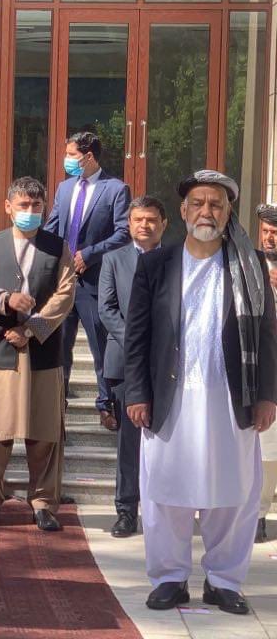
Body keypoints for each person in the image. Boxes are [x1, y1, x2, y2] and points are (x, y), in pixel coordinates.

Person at [124, 170, 277, 614]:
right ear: (183, 210)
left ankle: (224, 581)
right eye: (198, 203)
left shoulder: (249, 265)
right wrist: (136, 392)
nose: (206, 211)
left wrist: (268, 395)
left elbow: (267, 335)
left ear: (228, 213)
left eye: (216, 204)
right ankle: (169, 578)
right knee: (164, 491)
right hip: (169, 396)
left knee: (233, 492)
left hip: (232, 396)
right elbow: (137, 336)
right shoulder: (157, 264)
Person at [0, 177, 76, 531]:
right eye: (23, 205)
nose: (29, 211)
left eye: (36, 206)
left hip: (42, 349)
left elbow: (65, 296)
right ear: (8, 207)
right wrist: (5, 299)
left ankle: (43, 504)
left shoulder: (58, 248)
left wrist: (30, 329)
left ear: (44, 208)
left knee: (45, 431)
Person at [44, 132, 130, 428]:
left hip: (95, 283)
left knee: (101, 349)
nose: (66, 160)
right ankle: (57, 402)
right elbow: (53, 227)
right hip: (63, 282)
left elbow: (123, 232)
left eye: (72, 155)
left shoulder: (115, 189)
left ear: (89, 156)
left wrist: (89, 255)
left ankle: (107, 405)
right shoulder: (64, 187)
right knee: (59, 347)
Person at [98, 196, 167, 538]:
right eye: (138, 219)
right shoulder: (113, 259)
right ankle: (126, 511)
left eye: (151, 219)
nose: (145, 225)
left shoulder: (177, 259)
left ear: (164, 224)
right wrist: (139, 342)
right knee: (129, 442)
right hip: (126, 361)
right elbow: (107, 309)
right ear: (129, 224)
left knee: (167, 440)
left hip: (168, 362)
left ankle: (165, 510)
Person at [255, 203, 277, 543]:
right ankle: (257, 515)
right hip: (264, 370)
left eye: (275, 233)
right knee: (266, 451)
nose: (270, 238)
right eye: (265, 231)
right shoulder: (251, 264)